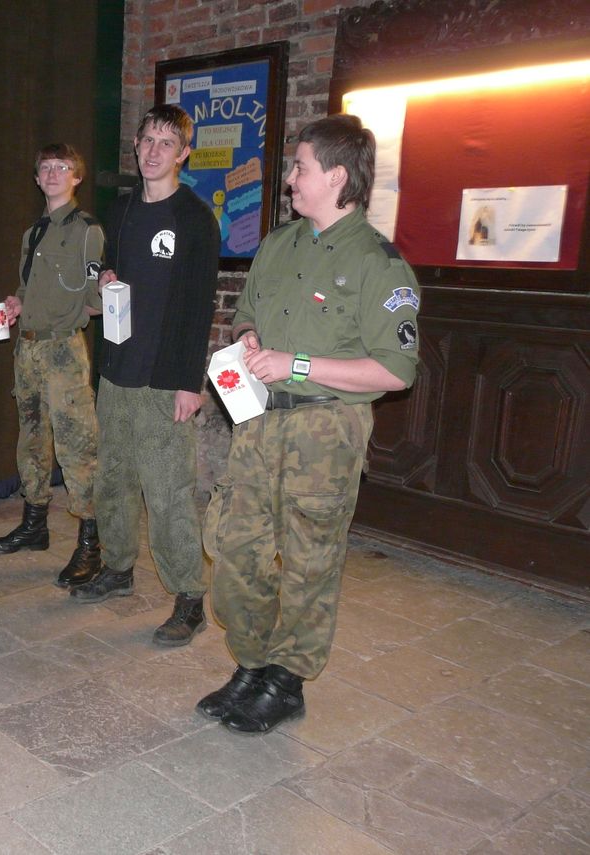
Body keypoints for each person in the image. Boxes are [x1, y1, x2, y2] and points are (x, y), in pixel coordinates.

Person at [199, 114, 421, 734]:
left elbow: (395, 371)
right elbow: (247, 310)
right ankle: (251, 662)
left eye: (299, 167)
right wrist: (247, 338)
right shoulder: (279, 244)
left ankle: (286, 680)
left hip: (326, 432)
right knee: (236, 548)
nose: (290, 179)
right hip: (259, 422)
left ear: (337, 176)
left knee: (308, 560)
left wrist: (294, 363)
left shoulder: (379, 265)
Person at [70, 106, 221, 649]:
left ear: (183, 153)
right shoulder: (124, 208)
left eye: (167, 143)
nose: (154, 151)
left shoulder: (195, 218)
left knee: (167, 490)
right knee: (112, 478)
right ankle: (117, 568)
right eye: (147, 141)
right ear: (135, 146)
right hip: (118, 369)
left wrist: (188, 382)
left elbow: (199, 307)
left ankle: (188, 597)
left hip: (164, 379)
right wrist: (108, 274)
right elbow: (111, 271)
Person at [0, 143, 106, 588]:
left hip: (62, 350)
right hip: (29, 348)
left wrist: (105, 294)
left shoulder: (87, 230)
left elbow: (95, 299)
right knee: (32, 438)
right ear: (36, 178)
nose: (53, 174)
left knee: (77, 446)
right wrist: (17, 302)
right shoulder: (33, 232)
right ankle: (35, 524)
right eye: (46, 168)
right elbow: (27, 285)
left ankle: (92, 542)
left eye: (63, 168)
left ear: (77, 177)